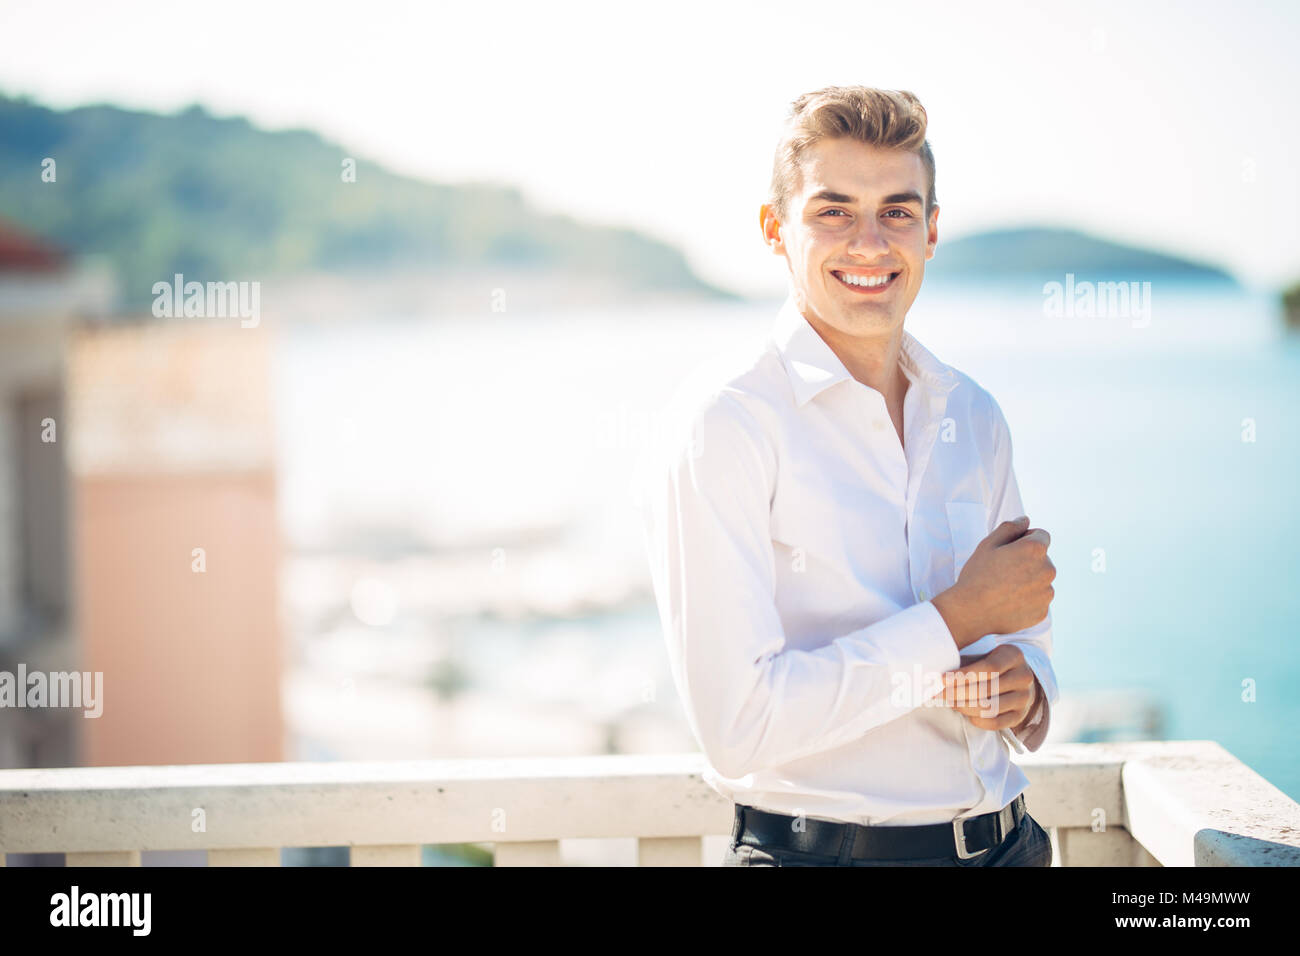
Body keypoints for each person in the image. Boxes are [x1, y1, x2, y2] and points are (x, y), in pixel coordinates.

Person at [634, 86, 1059, 866]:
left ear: (930, 232)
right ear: (775, 229)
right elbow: (740, 730)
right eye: (833, 211)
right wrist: (954, 619)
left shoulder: (975, 413)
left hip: (1011, 848)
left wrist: (1025, 689)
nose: (870, 243)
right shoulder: (726, 421)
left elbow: (1025, 636)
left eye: (897, 212)